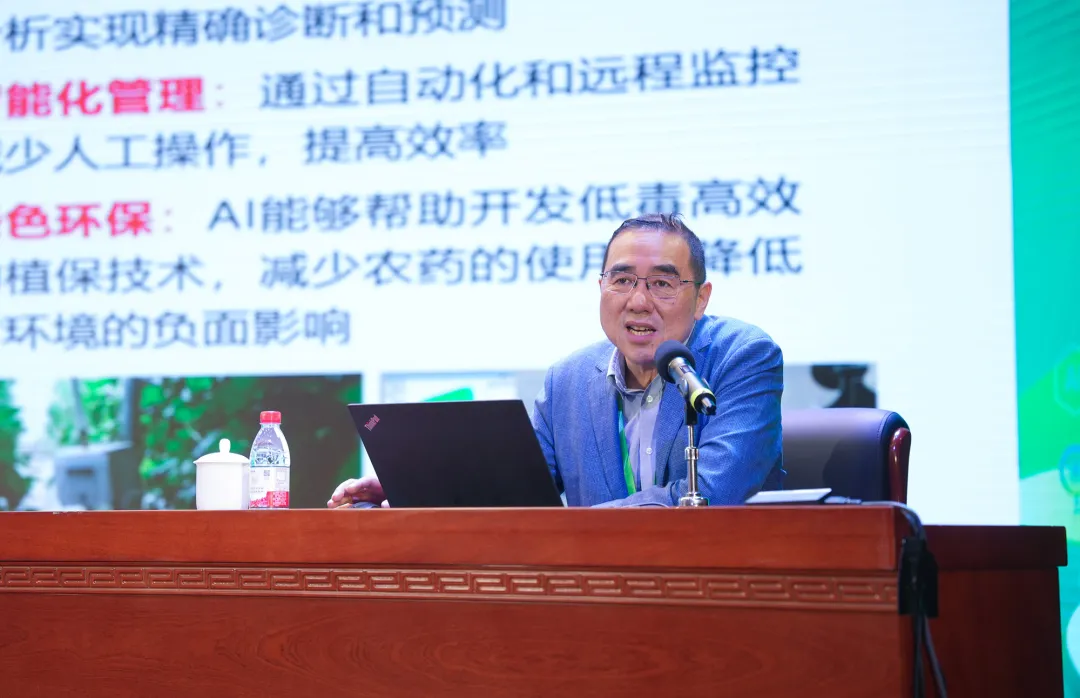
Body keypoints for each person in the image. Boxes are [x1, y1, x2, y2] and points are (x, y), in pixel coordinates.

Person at [328, 213, 784, 509]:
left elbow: (710, 493)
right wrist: (413, 488)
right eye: (622, 280)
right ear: (601, 287)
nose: (639, 301)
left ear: (701, 298)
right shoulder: (568, 379)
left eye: (662, 284)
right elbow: (515, 489)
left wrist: (577, 524)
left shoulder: (742, 357)